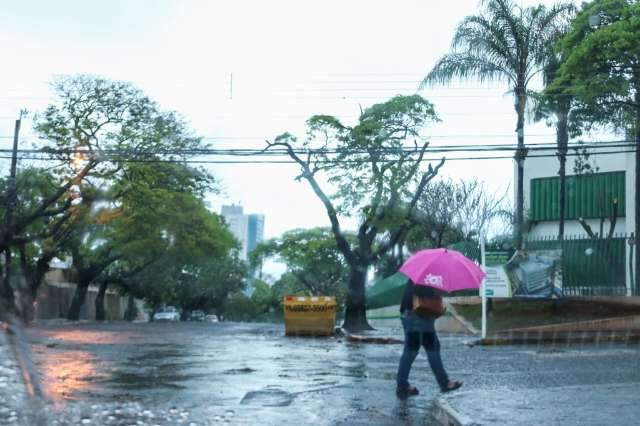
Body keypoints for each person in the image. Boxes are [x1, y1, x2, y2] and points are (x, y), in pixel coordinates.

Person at [396, 280, 462, 399]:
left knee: (413, 350)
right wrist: (436, 290)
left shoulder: (423, 271)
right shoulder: (428, 274)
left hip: (411, 314)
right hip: (418, 315)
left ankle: (402, 386)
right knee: (429, 348)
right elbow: (420, 290)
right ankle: (444, 383)